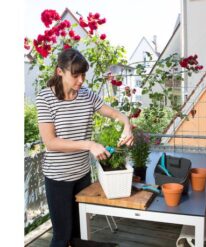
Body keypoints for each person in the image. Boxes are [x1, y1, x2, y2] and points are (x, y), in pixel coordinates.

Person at [36, 48, 134, 247]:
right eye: (75, 75)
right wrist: (89, 144)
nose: (81, 80)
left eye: (83, 75)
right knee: (62, 237)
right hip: (58, 178)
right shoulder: (45, 98)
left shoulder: (87, 96)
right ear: (59, 72)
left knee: (79, 234)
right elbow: (51, 142)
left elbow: (117, 114)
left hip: (82, 175)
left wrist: (127, 126)